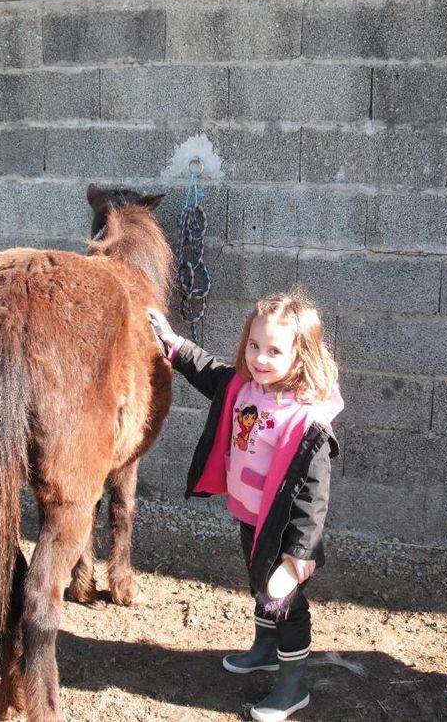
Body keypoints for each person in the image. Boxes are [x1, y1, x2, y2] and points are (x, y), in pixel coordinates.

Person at [149, 291, 343, 722]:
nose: (260, 357)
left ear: (302, 355)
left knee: (285, 601)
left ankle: (293, 686)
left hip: (284, 532)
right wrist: (172, 343)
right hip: (248, 515)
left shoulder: (306, 421)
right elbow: (207, 370)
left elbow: (314, 498)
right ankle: (265, 648)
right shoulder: (244, 386)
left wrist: (297, 557)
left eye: (275, 351)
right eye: (254, 346)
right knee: (258, 582)